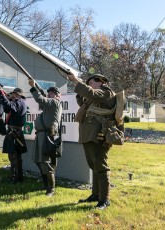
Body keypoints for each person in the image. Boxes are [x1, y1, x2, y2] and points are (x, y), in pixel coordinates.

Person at [66, 73, 116, 210]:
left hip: (99, 133)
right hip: (88, 133)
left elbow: (92, 94)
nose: (89, 85)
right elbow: (82, 102)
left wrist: (77, 81)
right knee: (94, 165)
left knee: (100, 165)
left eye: (91, 83)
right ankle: (95, 194)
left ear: (100, 82)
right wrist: (79, 90)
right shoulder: (93, 95)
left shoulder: (106, 92)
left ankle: (105, 199)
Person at [29, 79, 62, 197]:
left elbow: (40, 99)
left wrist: (33, 87)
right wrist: (39, 90)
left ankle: (51, 189)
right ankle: (46, 184)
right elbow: (42, 100)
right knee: (38, 161)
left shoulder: (54, 102)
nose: (50, 94)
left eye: (52, 92)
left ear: (58, 95)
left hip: (49, 135)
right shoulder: (48, 106)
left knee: (46, 163)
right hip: (41, 135)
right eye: (49, 92)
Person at [0, 87, 27, 183]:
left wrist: (1, 94)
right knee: (17, 155)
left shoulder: (18, 102)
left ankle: (14, 179)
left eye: (13, 94)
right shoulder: (20, 102)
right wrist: (7, 98)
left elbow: (9, 106)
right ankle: (19, 177)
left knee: (12, 155)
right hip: (16, 131)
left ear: (17, 95)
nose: (12, 95)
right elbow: (7, 109)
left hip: (14, 131)